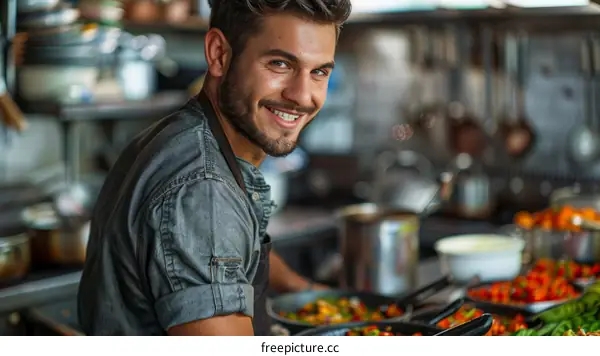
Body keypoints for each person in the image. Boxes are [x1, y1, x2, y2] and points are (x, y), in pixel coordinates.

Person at [77, 0, 352, 336]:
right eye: (280, 63)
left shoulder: (188, 136)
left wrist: (304, 290)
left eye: (319, 72)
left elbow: (226, 250)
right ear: (219, 53)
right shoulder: (202, 188)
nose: (302, 95)